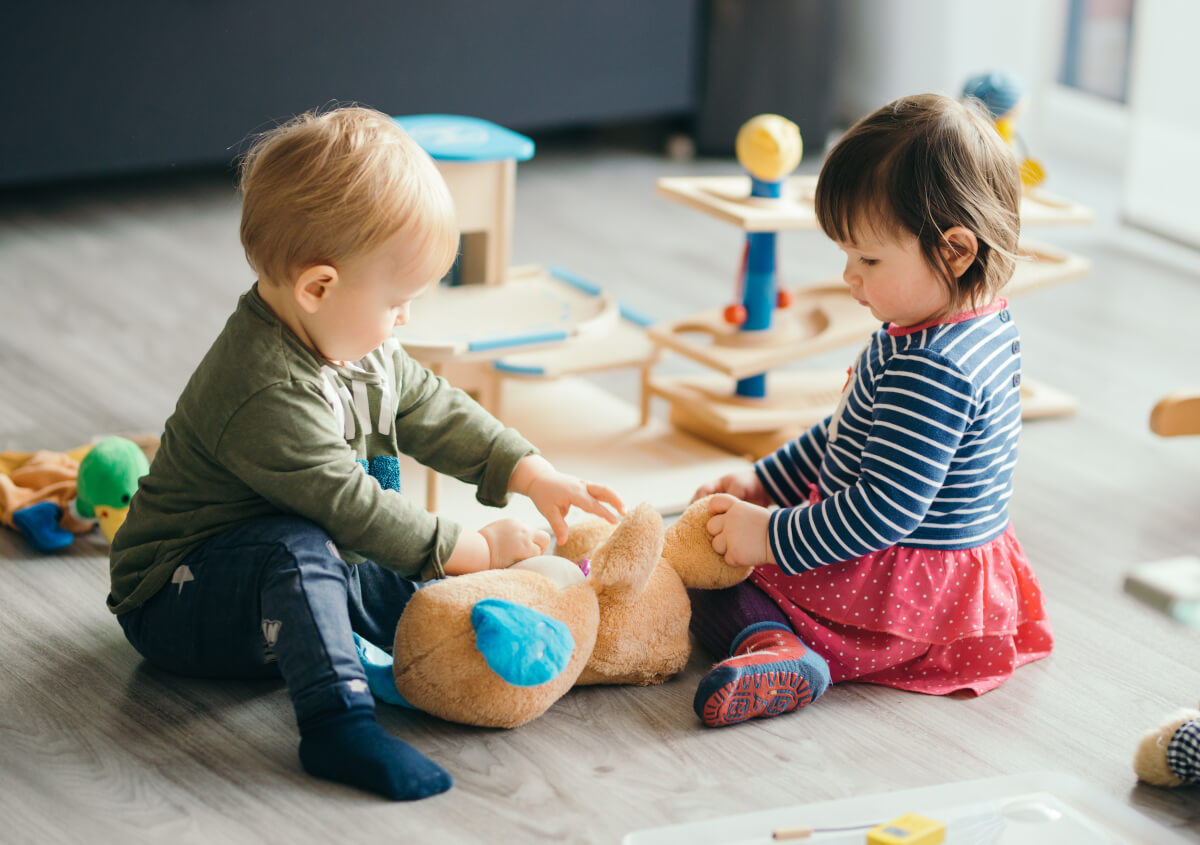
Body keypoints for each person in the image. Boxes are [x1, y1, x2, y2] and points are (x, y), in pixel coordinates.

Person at [106, 106, 624, 800]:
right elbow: (349, 509)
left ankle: (480, 647)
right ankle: (337, 723)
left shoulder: (359, 343)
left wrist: (531, 471)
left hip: (290, 563)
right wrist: (473, 547)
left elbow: (432, 408)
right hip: (176, 597)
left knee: (385, 575)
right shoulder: (262, 386)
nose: (405, 319)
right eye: (397, 300)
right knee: (309, 544)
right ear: (318, 287)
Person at [688, 93, 1054, 728]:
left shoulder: (932, 365)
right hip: (945, 581)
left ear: (956, 251)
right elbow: (849, 431)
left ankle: (780, 648)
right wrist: (766, 479)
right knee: (725, 548)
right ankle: (785, 639)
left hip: (900, 595)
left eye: (869, 259)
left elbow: (882, 510)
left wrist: (769, 535)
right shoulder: (963, 322)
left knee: (710, 582)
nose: (850, 277)